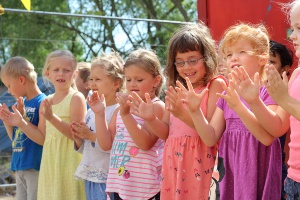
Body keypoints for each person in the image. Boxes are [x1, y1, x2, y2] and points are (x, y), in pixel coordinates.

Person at [178, 23, 290, 200]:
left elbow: (268, 137)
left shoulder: (268, 91)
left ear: (262, 58)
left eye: (241, 52)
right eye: (229, 55)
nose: (233, 58)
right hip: (231, 169)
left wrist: (240, 105)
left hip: (257, 167)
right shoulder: (227, 94)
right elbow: (210, 136)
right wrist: (194, 111)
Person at [128, 22, 226, 200]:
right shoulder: (174, 88)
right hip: (174, 163)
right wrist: (150, 119)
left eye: (193, 60)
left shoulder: (215, 85)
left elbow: (211, 136)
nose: (186, 67)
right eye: (180, 62)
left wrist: (183, 114)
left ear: (207, 57)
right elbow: (166, 132)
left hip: (201, 162)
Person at [89, 49, 165, 200]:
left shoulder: (156, 106)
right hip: (120, 187)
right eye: (128, 80)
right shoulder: (121, 108)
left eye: (139, 80)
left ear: (155, 81)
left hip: (145, 190)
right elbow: (106, 144)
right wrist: (99, 113)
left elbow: (145, 143)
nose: (132, 84)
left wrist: (126, 115)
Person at [70, 52, 124, 200]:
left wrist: (89, 135)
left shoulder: (119, 111)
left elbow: (114, 146)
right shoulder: (90, 111)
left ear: (116, 83)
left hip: (106, 178)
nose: (92, 83)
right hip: (90, 175)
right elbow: (86, 148)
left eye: (98, 79)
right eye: (91, 79)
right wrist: (78, 137)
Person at [37, 50, 87, 199]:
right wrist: (20, 122)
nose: (61, 74)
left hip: (69, 164)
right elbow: (42, 137)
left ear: (75, 74)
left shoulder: (76, 98)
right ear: (48, 73)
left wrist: (51, 118)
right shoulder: (46, 101)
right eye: (56, 70)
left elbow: (77, 136)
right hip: (50, 165)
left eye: (66, 70)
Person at [265, 1, 300, 198]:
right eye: (292, 28)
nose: (292, 36)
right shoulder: (295, 75)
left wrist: (283, 98)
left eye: (299, 28)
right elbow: (278, 127)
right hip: (293, 180)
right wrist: (250, 101)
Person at [0, 57, 46, 200]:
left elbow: (42, 139)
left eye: (9, 85)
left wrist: (21, 122)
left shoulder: (43, 102)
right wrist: (7, 121)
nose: (8, 90)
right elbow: (16, 139)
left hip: (35, 168)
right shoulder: (22, 103)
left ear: (21, 80)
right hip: (19, 166)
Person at [269, 40, 293, 200]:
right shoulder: (251, 89)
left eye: (271, 62)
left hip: (273, 165)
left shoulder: (285, 93)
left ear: (284, 69)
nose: (265, 65)